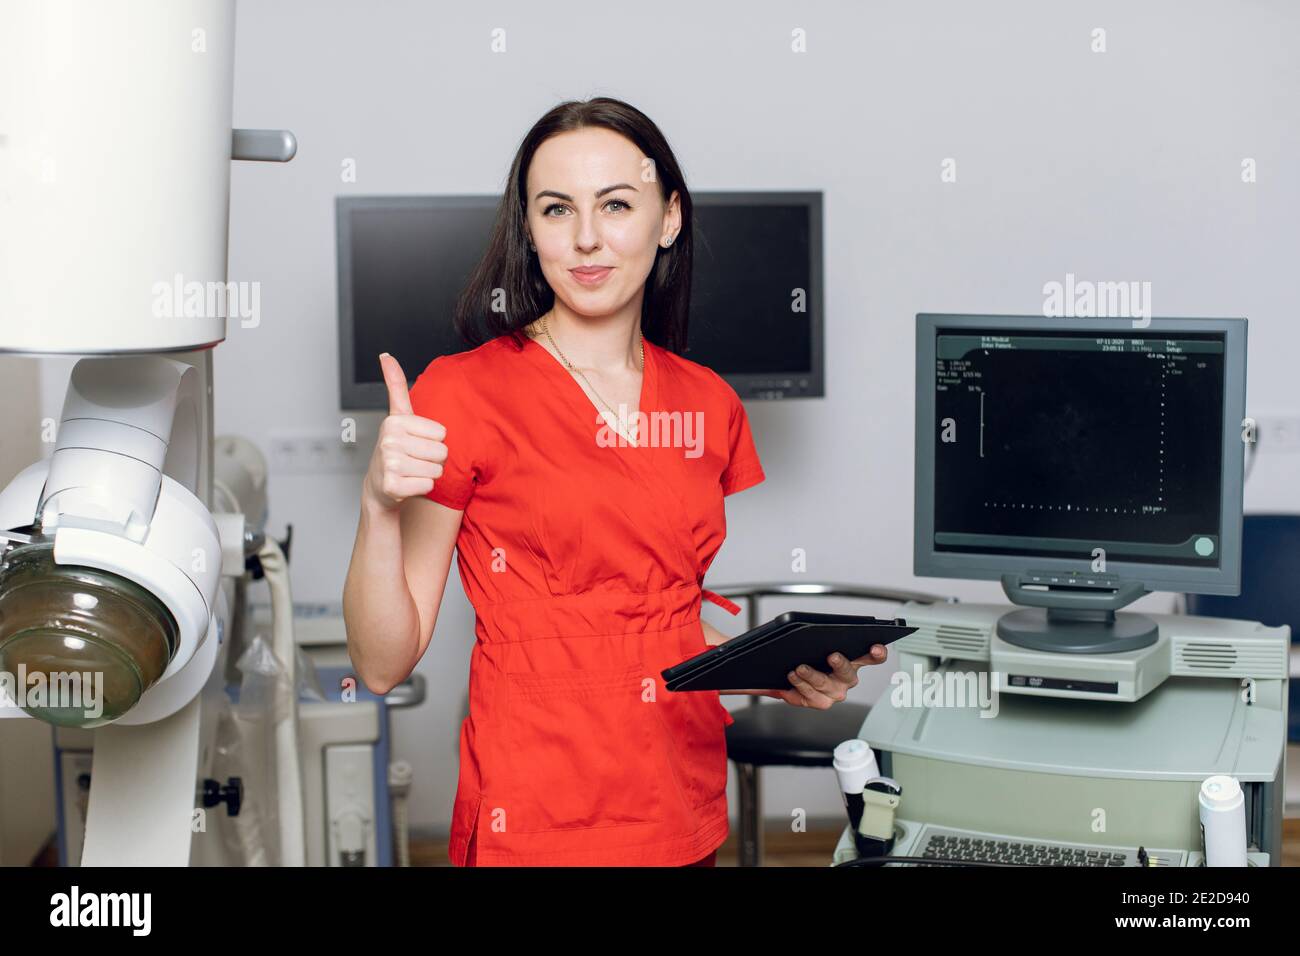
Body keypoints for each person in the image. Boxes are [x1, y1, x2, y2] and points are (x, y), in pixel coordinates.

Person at [342, 97, 889, 867]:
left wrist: (777, 671)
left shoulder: (707, 402)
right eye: (558, 209)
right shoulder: (460, 395)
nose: (587, 238)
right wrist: (377, 506)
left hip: (678, 805)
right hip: (534, 817)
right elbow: (379, 663)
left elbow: (649, 623)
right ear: (528, 231)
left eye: (617, 205)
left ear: (668, 219)